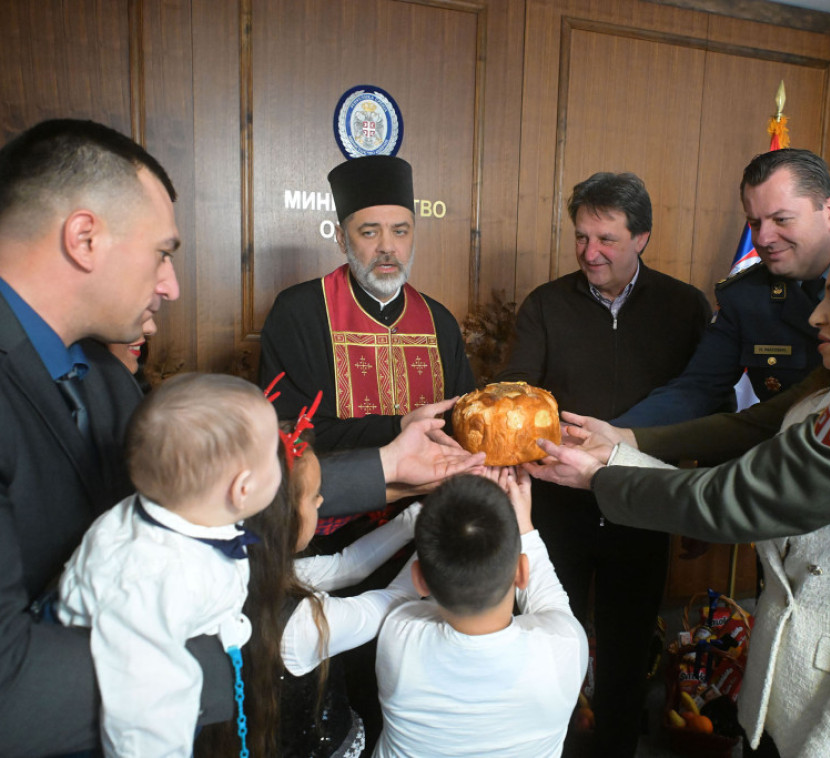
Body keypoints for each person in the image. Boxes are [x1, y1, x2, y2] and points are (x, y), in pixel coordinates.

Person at [527, 30, 830, 756]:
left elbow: (772, 487)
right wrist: (626, 439)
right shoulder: (771, 297)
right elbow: (746, 414)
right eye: (752, 222)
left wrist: (608, 471)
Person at [0, 119, 483, 758]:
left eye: (401, 230)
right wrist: (255, 647)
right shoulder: (300, 312)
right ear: (84, 238)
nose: (170, 284)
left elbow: (210, 489)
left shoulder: (100, 374)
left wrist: (390, 466)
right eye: (164, 252)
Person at [594, 224, 830, 758]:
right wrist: (616, 448)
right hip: (774, 702)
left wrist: (607, 467)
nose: (814, 318)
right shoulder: (818, 402)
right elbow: (746, 437)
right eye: (753, 221)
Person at [497, 171, 711, 756]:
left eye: (607, 239)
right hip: (557, 506)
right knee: (546, 643)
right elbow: (514, 393)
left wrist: (698, 505)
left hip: (644, 506)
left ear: (641, 237)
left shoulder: (685, 307)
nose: (591, 253)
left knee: (627, 651)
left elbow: (707, 400)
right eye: (581, 237)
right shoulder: (546, 305)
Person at [58, 373, 281, 757]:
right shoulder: (153, 578)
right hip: (104, 702)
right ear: (241, 489)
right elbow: (144, 704)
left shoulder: (187, 509)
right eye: (275, 452)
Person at [203, 420, 423, 758]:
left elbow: (344, 565)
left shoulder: (241, 568)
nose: (321, 500)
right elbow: (390, 602)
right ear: (282, 518)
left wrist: (416, 516)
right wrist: (439, 535)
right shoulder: (300, 625)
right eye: (313, 496)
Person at [259, 154, 476, 455]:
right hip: (334, 497)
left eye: (400, 231)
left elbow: (465, 424)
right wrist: (397, 427)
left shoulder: (440, 322)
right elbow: (289, 430)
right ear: (342, 239)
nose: (387, 247)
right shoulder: (298, 314)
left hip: (433, 496)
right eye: (370, 232)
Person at [613, 149, 830, 428]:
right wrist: (612, 435)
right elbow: (696, 390)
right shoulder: (746, 296)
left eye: (781, 219)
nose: (764, 238)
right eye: (755, 223)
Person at [374, 470, 588, 758]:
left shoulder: (398, 636)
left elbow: (417, 590)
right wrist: (523, 523)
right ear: (522, 572)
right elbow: (550, 602)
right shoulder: (564, 647)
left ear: (420, 579)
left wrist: (447, 518)